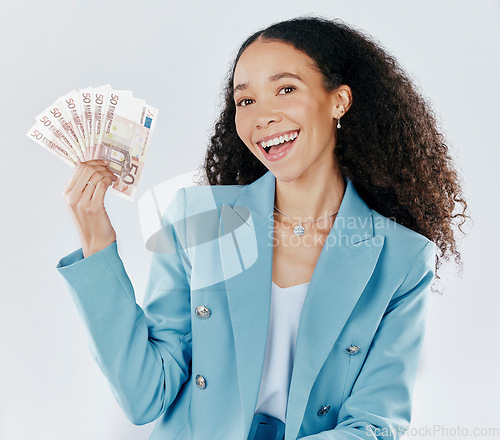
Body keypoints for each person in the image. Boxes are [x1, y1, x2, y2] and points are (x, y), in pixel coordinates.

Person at [56, 16, 469, 440]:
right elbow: (145, 396)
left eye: (285, 89)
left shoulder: (401, 257)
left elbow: (374, 423)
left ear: (339, 101)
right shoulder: (196, 220)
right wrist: (96, 240)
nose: (262, 116)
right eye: (245, 101)